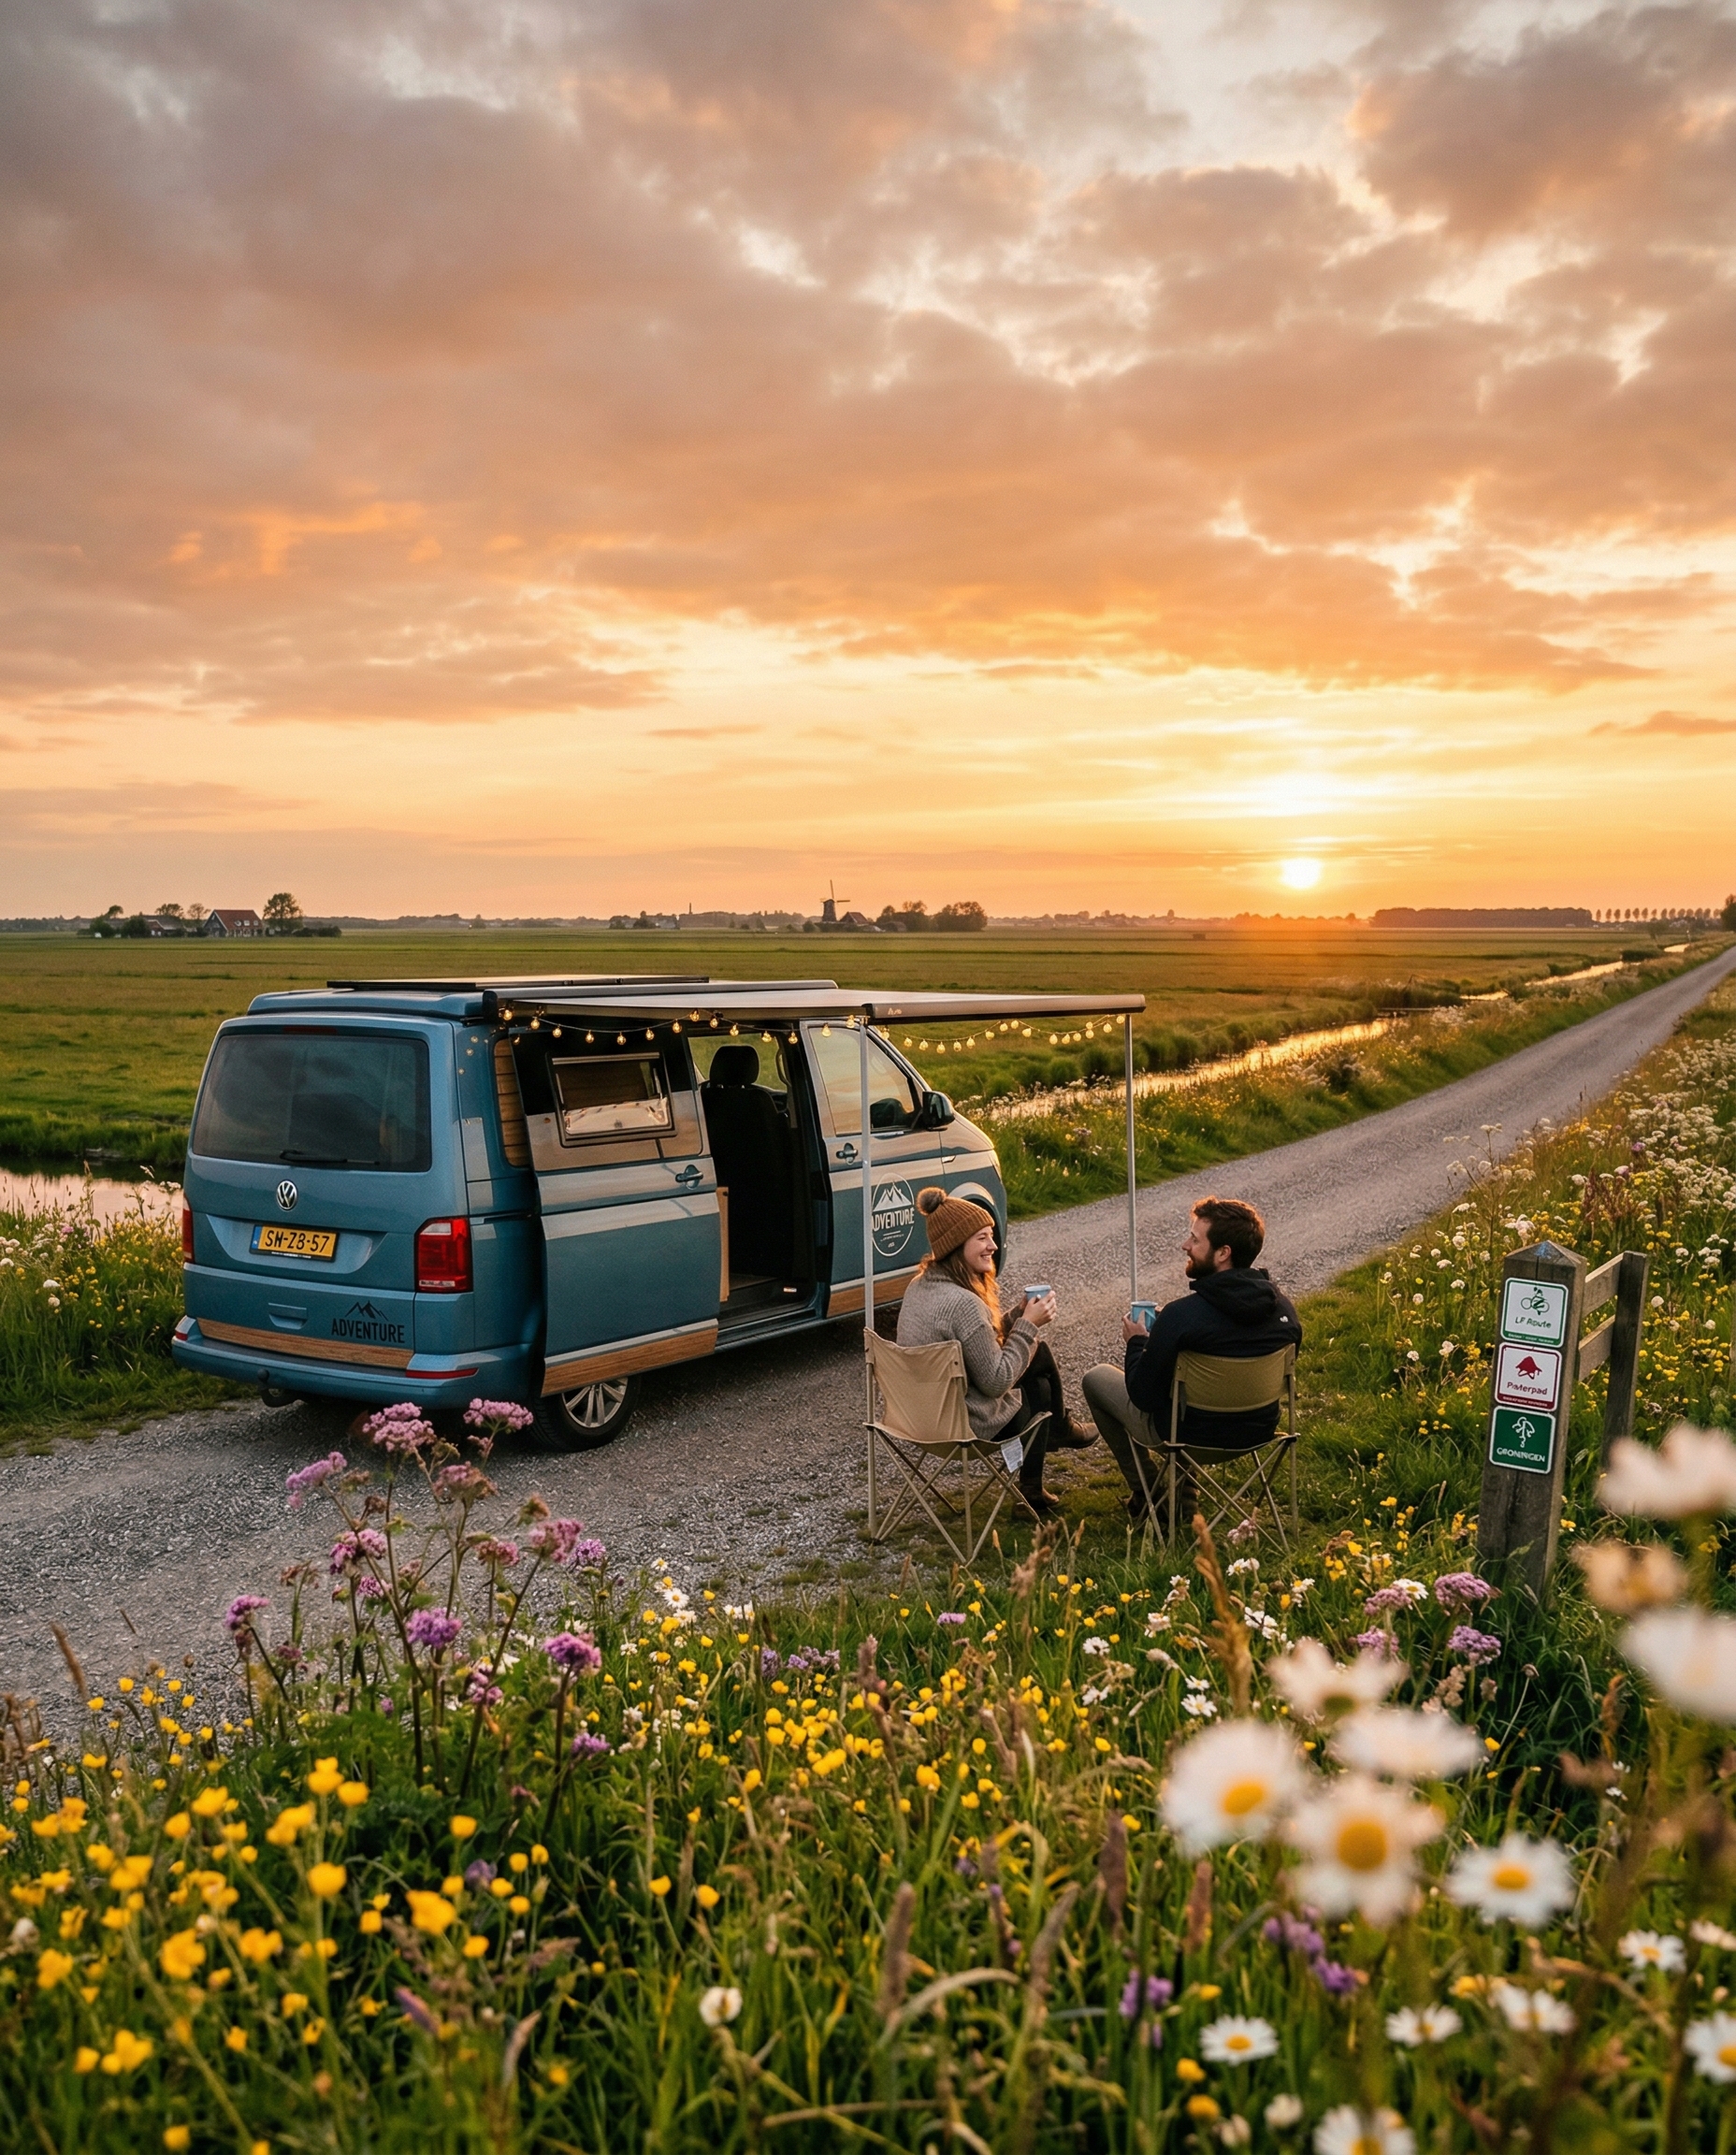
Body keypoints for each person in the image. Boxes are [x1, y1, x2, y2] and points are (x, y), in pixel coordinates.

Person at [1082, 1195, 1301, 1522]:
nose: (1186, 1245)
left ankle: (1150, 1491)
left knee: (1096, 1378)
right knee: (1184, 1390)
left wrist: (1138, 1343)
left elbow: (1143, 1395)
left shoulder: (1182, 1316)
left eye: (1196, 1240)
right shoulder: (1284, 1312)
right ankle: (1182, 1494)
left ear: (1223, 1253)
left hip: (1188, 1435)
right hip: (1257, 1432)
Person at [896, 1187, 1094, 1514]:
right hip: (959, 1424)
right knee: (1039, 1384)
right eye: (982, 1238)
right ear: (957, 1245)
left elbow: (976, 1341)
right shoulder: (964, 1304)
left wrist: (1017, 1317)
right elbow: (995, 1381)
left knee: (1036, 1362)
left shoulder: (920, 1287)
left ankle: (1056, 1436)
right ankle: (1056, 1435)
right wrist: (1029, 1326)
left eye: (991, 1236)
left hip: (915, 1416)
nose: (993, 1246)